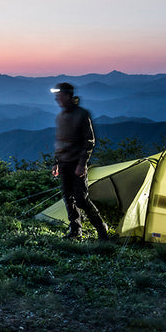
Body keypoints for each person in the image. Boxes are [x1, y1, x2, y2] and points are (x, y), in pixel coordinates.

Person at [51, 82, 108, 240]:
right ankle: (75, 231)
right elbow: (59, 142)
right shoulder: (60, 117)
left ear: (69, 96)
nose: (57, 99)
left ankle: (102, 229)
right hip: (63, 163)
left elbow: (89, 141)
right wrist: (56, 162)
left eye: (60, 96)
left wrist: (82, 164)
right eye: (57, 96)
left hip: (76, 163)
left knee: (81, 199)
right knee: (68, 198)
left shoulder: (82, 114)